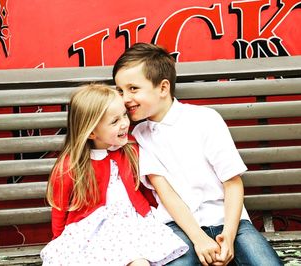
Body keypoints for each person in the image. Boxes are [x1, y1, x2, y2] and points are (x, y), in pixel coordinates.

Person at [113, 43, 283, 266]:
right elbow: (166, 194)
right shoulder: (139, 136)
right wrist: (199, 238)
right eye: (120, 91)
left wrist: (229, 237)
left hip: (230, 221)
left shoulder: (205, 119)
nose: (125, 98)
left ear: (163, 88)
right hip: (178, 225)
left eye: (133, 89)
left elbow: (232, 182)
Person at [40, 84, 188, 266]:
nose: (125, 123)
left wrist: (154, 212)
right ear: (92, 132)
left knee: (139, 261)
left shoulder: (130, 150)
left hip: (133, 224)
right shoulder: (71, 166)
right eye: (114, 121)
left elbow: (145, 189)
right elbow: (60, 207)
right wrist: (59, 241)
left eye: (124, 115)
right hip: (92, 230)